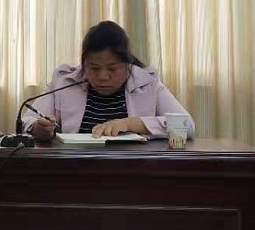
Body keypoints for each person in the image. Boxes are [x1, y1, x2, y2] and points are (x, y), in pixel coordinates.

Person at [21, 20, 193, 141]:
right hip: (74, 168)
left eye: (112, 69)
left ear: (128, 65)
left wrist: (130, 124)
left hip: (135, 169)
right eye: (94, 68)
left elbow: (187, 125)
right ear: (84, 64)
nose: (103, 76)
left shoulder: (148, 83)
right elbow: (27, 120)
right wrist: (38, 128)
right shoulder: (65, 82)